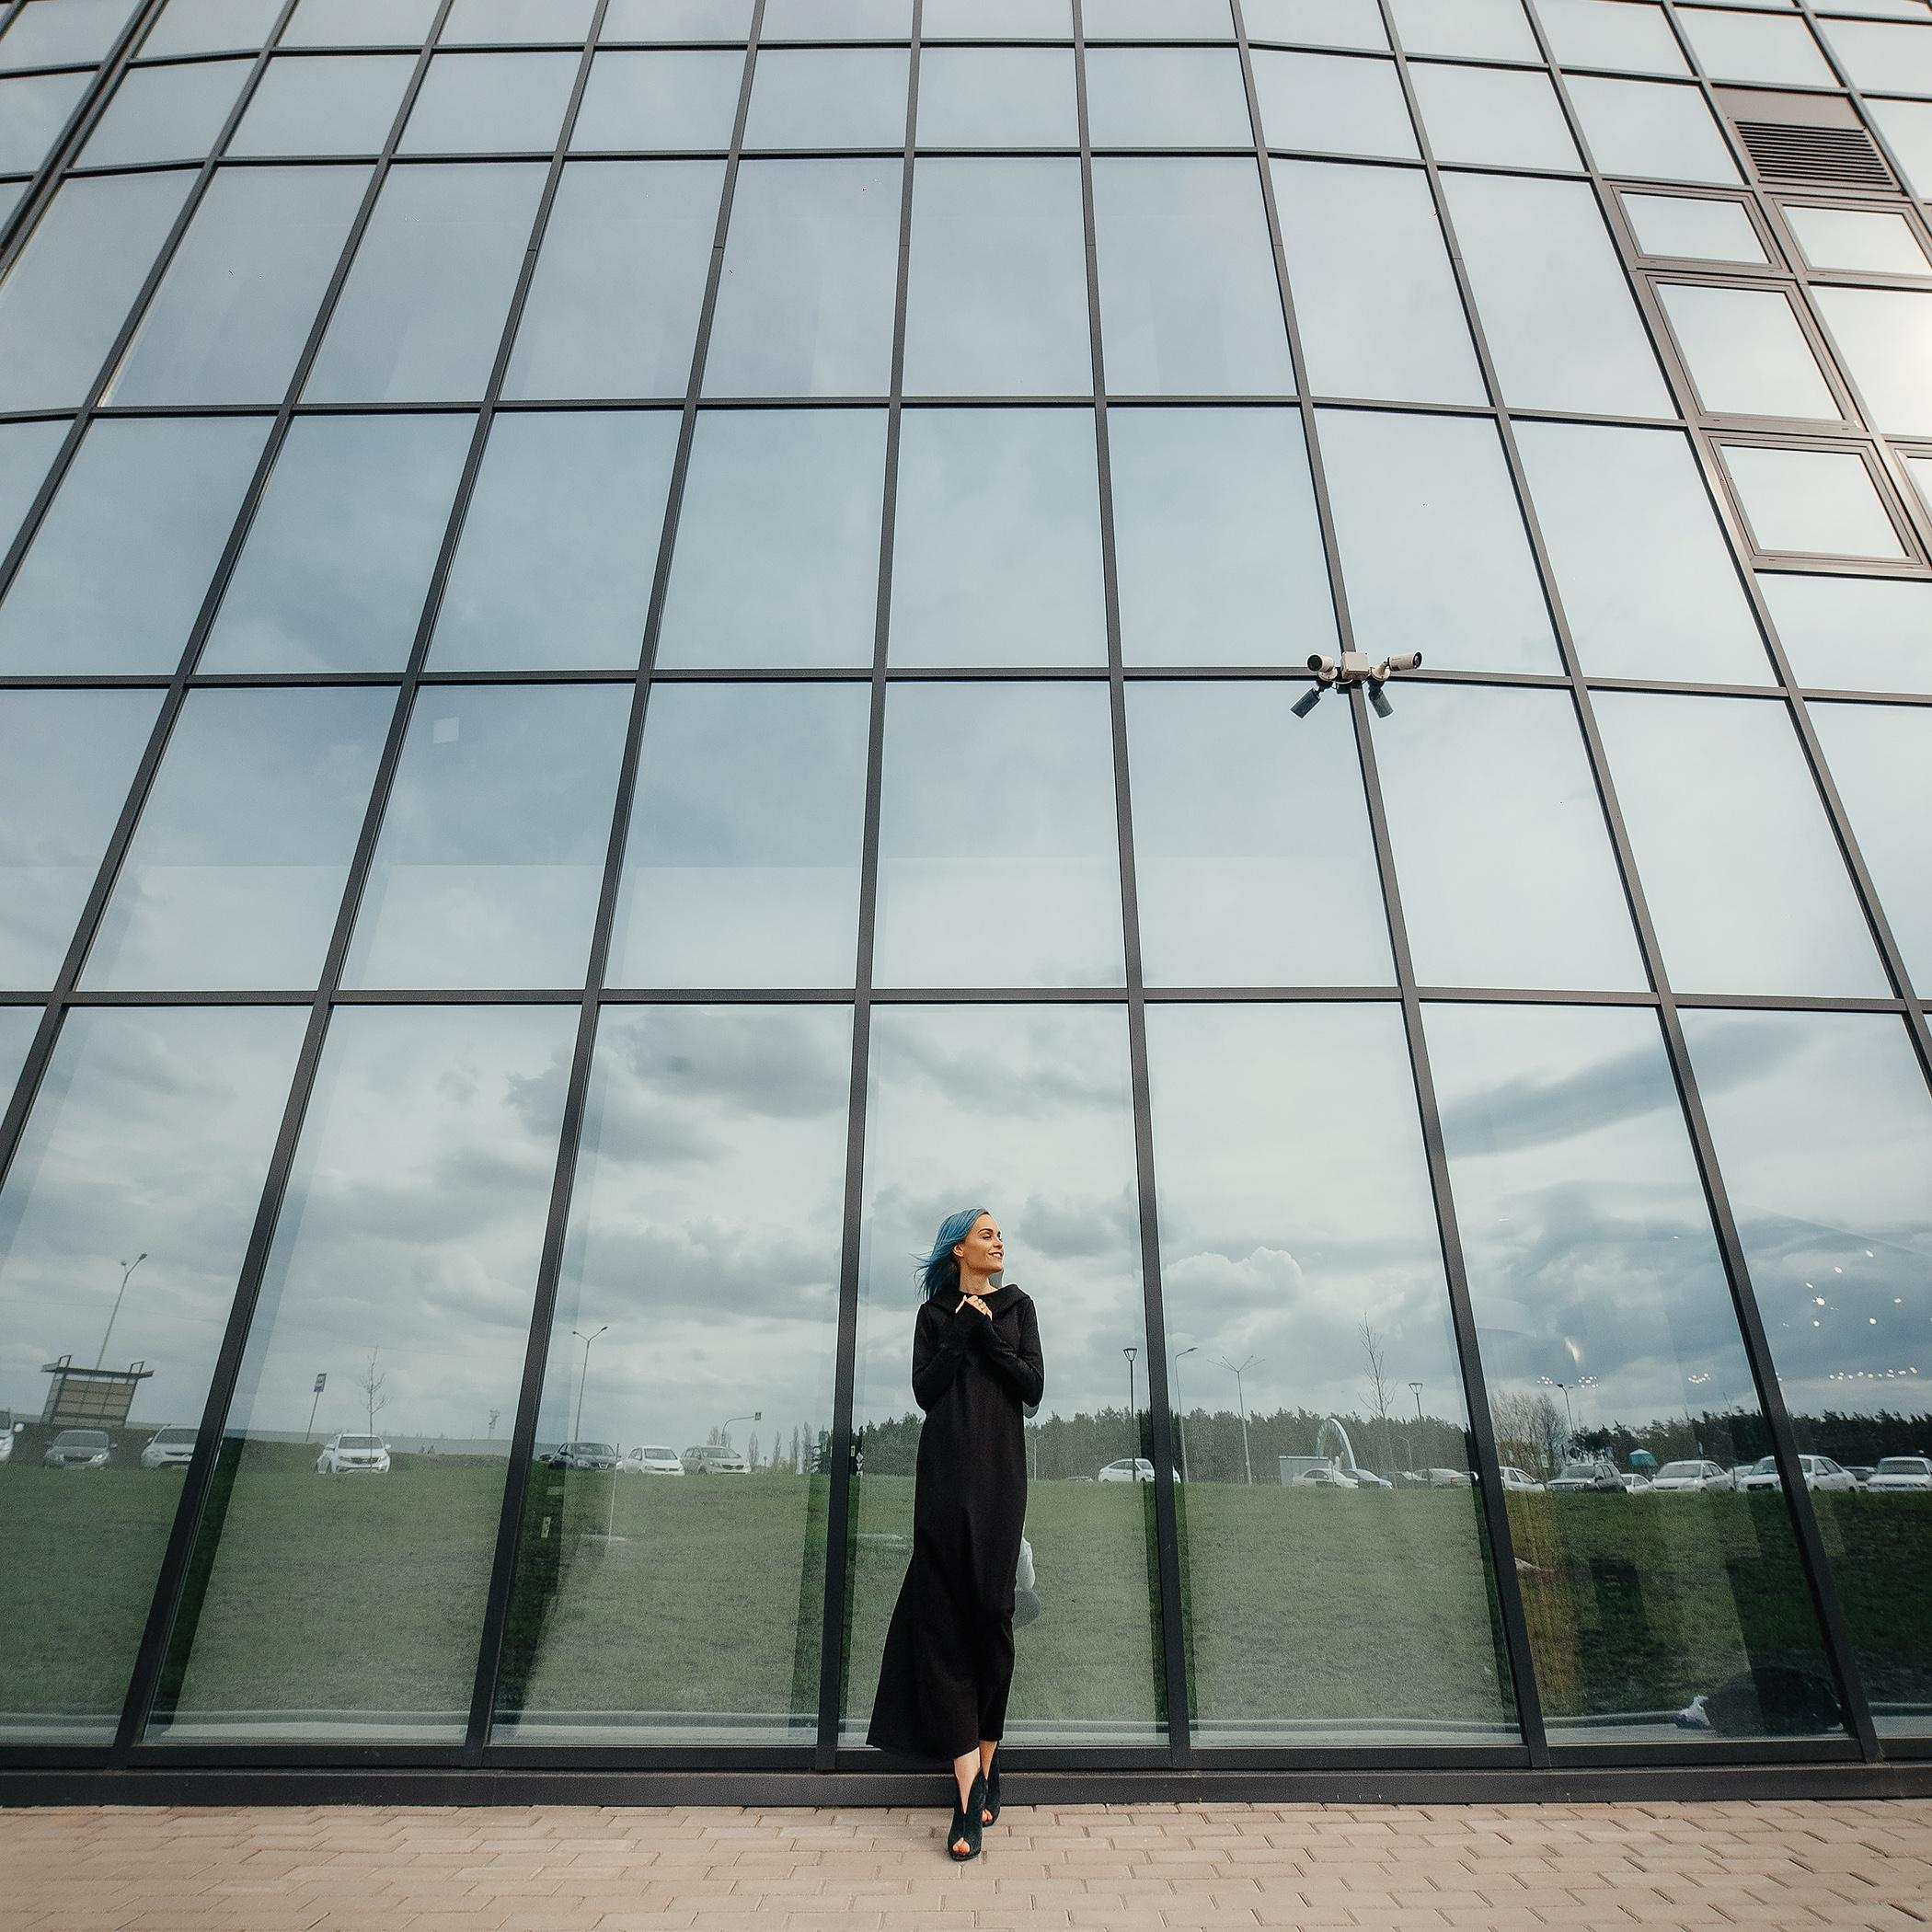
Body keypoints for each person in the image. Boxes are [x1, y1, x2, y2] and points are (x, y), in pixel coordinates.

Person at [867, 1208, 1044, 1861]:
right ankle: (968, 1799)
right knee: (943, 1626)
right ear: (958, 1250)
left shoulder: (1019, 1306)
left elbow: (1032, 1389)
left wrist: (990, 1335)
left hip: (999, 1480)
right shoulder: (934, 1315)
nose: (999, 1241)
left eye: (1000, 1234)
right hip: (942, 1482)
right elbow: (925, 1391)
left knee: (993, 1619)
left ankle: (991, 1761)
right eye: (987, 1234)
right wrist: (958, 1332)